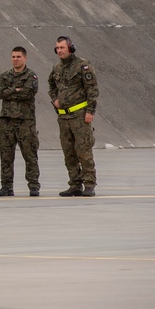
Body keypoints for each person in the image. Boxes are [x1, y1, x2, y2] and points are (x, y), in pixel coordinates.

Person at [48, 36, 99, 197]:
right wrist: (55, 99)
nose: (59, 50)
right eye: (57, 48)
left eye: (62, 47)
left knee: (83, 150)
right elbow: (51, 84)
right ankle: (75, 184)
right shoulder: (56, 68)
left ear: (70, 48)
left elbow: (92, 89)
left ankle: (89, 184)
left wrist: (90, 111)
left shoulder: (83, 66)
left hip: (80, 116)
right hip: (63, 118)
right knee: (68, 152)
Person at [0, 46, 40, 196]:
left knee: (30, 154)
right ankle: (6, 186)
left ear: (25, 58)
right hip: (7, 121)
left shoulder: (31, 76)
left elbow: (28, 92)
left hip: (25, 121)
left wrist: (10, 91)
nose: (15, 59)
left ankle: (33, 185)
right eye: (13, 57)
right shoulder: (5, 75)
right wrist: (16, 90)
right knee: (5, 154)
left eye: (18, 57)